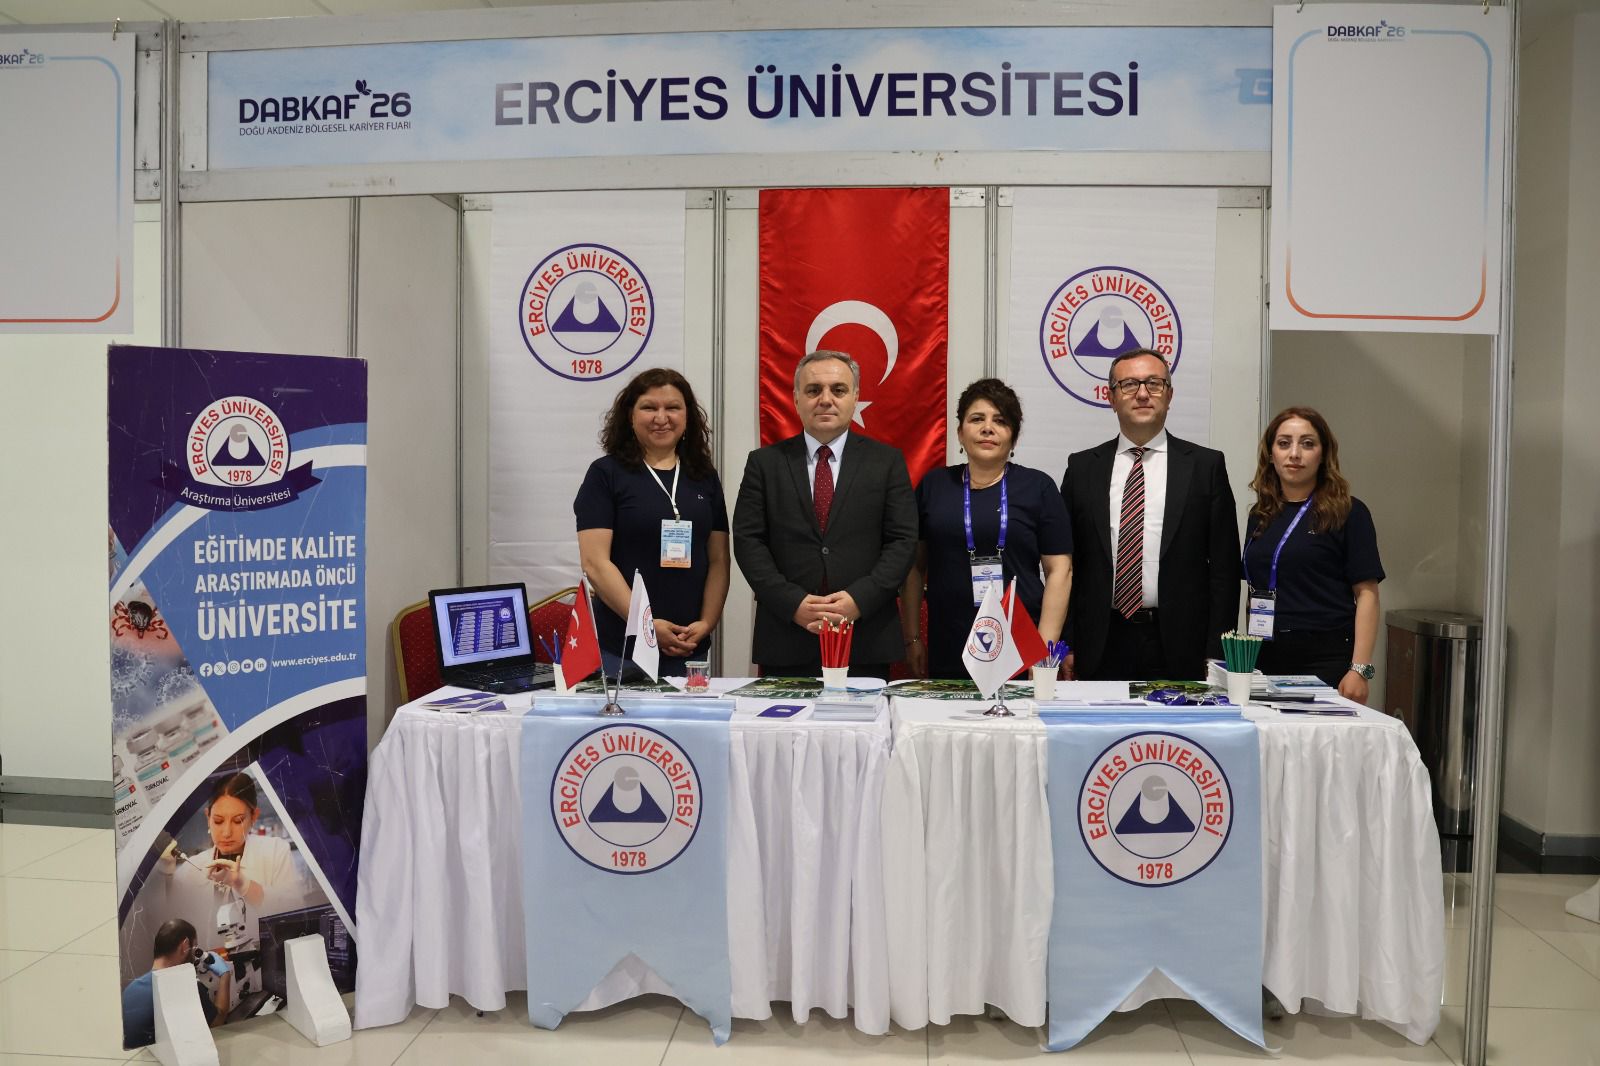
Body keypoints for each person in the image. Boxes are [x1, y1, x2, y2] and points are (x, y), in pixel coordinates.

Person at [732, 349, 917, 678]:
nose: (826, 399)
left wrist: (858, 600)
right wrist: (793, 603)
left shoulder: (886, 462)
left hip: (866, 636)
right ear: (796, 398)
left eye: (838, 390)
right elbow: (749, 541)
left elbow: (902, 541)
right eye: (814, 390)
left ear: (855, 397)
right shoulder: (764, 463)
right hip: (787, 636)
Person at [1059, 348, 1241, 681]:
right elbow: (1067, 566)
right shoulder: (1082, 468)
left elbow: (1224, 571)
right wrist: (1066, 643)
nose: (1142, 394)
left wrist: (1217, 651)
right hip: (1099, 641)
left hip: (1181, 644)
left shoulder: (1205, 467)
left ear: (1169, 395)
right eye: (1129, 384)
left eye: (1154, 384)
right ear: (1111, 398)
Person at [900, 378, 1072, 679]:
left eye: (1000, 421)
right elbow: (913, 567)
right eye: (977, 419)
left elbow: (1060, 570)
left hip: (1022, 642)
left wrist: (1043, 651)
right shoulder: (934, 486)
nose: (987, 428)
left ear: (1013, 437)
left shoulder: (1038, 487)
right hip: (950, 640)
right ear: (960, 432)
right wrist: (912, 637)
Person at [575, 368, 731, 677]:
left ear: (688, 416)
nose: (661, 417)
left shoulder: (704, 476)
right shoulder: (605, 474)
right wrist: (645, 624)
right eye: (649, 407)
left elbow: (719, 559)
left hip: (689, 645)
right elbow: (595, 563)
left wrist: (707, 623)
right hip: (622, 649)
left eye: (672, 407)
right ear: (630, 416)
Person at [1244, 407, 1384, 701]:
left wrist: (1360, 670)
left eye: (1307, 444)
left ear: (1323, 455)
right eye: (1284, 443)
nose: (1294, 454)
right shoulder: (1260, 514)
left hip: (1325, 660)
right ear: (1271, 454)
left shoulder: (1348, 512)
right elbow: (1255, 588)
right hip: (1266, 656)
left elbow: (1367, 594)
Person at [157, 772, 306, 954]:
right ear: (208, 817)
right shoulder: (191, 867)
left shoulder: (275, 851)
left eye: (238, 820)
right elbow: (165, 922)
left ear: (254, 816)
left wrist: (243, 885)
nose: (226, 832)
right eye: (218, 821)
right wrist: (164, 872)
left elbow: (295, 912)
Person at [121, 918, 231, 1047]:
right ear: (185, 946)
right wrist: (225, 975)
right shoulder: (187, 988)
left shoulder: (130, 989)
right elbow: (217, 1021)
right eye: (194, 948)